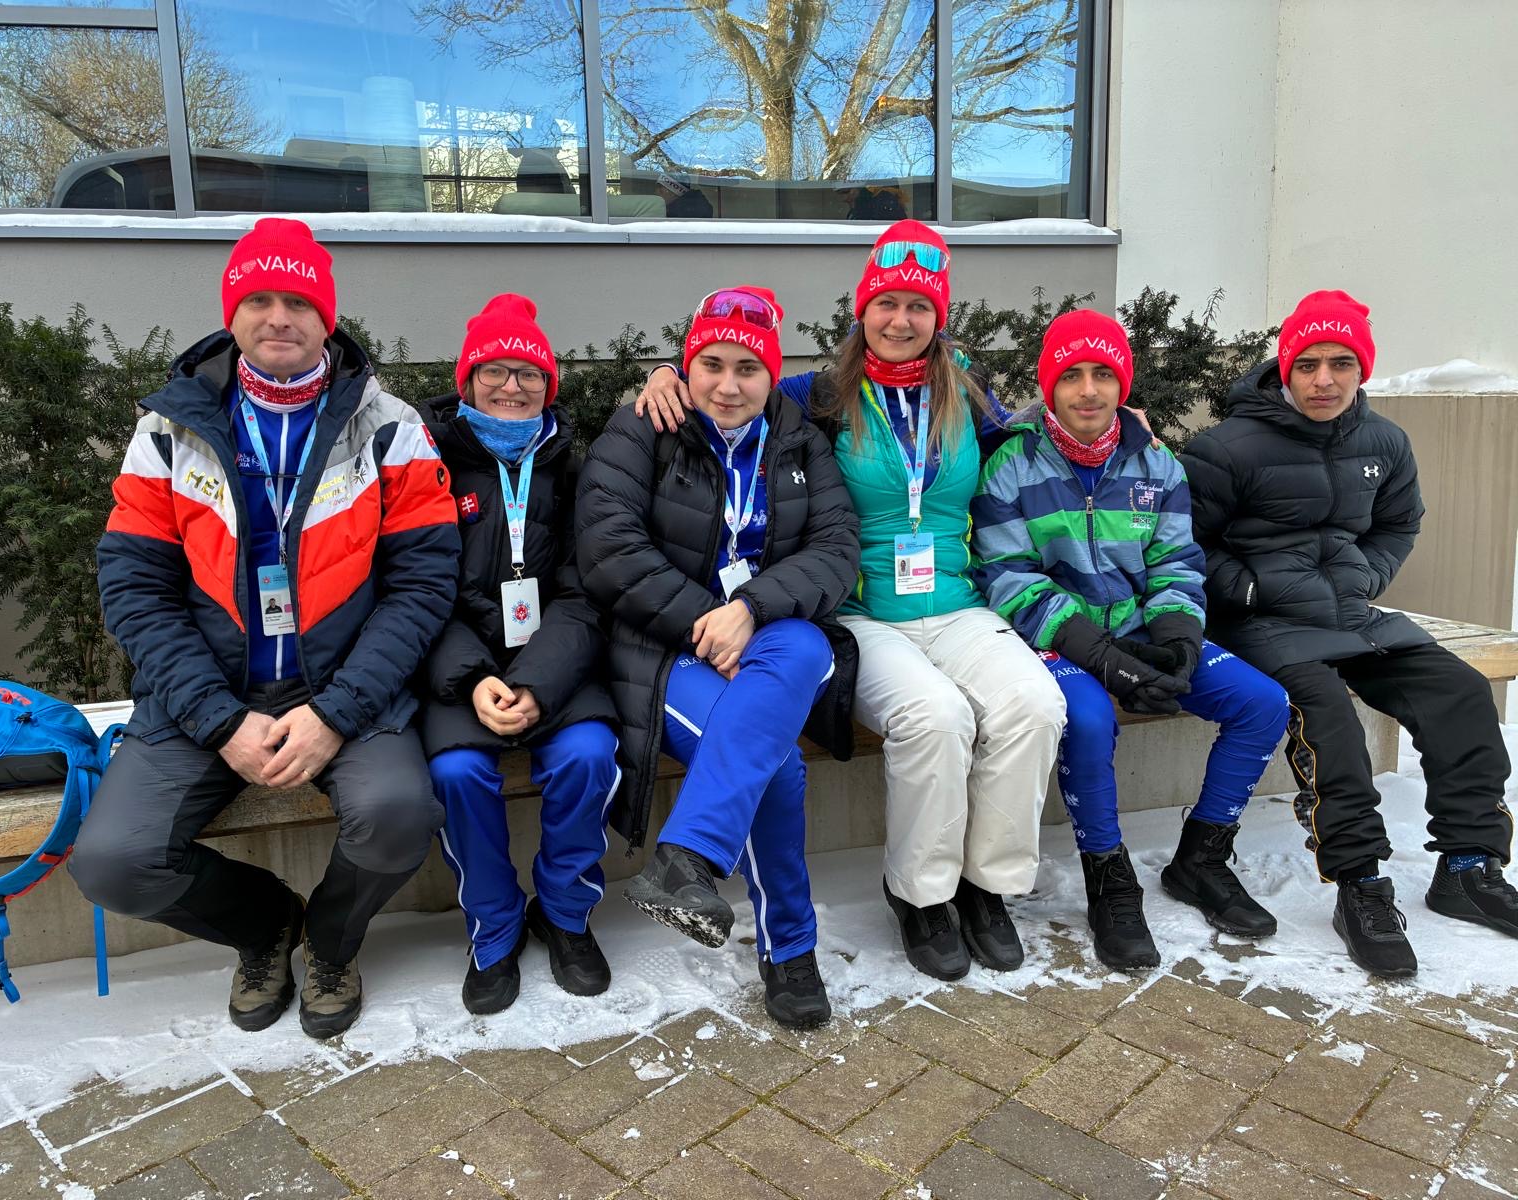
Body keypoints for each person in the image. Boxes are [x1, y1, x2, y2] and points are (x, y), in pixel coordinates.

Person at [636, 221, 1066, 982]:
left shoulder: (965, 391)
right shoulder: (821, 396)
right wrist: (668, 374)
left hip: (957, 603)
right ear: (862, 309)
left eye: (919, 306)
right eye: (886, 303)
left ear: (939, 317)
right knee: (935, 717)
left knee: (1035, 705)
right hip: (864, 613)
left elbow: (1030, 442)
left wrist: (1119, 423)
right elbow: (734, 391)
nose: (901, 320)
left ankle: (986, 887)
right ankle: (922, 897)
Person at [70, 218, 459, 1038]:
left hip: (346, 688)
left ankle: (331, 939)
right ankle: (268, 924)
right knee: (114, 863)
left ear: (327, 318)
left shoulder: (390, 426)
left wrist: (338, 712)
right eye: (259, 300)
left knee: (398, 816)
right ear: (232, 312)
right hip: (206, 694)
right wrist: (219, 719)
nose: (279, 317)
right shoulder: (168, 429)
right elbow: (134, 590)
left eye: (299, 302)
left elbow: (422, 587)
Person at [1182, 290, 1516, 978]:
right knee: (1327, 715)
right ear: (1285, 368)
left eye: (1341, 363)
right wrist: (1246, 590)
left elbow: (1399, 522)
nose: (1324, 380)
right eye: (1307, 364)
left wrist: (1368, 575)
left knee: (1458, 691)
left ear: (1363, 369)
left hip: (1352, 616)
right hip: (1263, 623)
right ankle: (1360, 882)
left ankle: (1469, 866)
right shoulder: (1225, 448)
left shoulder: (1384, 443)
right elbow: (1185, 544)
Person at [576, 286, 861, 1028]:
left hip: (767, 636)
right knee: (777, 763)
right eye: (711, 365)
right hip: (661, 649)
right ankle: (789, 947)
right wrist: (711, 626)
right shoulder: (643, 428)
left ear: (773, 376)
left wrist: (751, 611)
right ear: (686, 365)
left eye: (748, 368)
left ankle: (687, 860)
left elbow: (837, 551)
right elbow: (609, 553)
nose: (728, 386)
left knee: (805, 642)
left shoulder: (800, 441)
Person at [973, 310, 1291, 971]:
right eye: (1072, 375)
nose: (1088, 391)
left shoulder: (1155, 462)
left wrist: (1178, 636)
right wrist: (1098, 653)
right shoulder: (1012, 466)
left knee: (1261, 703)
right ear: (1050, 385)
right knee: (1089, 719)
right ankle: (1108, 874)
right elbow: (1008, 577)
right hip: (1057, 639)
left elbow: (1176, 561)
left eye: (1103, 374)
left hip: (1142, 627)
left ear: (1123, 382)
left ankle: (1202, 858)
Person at [419, 295, 620, 1016]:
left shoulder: (574, 468)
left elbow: (586, 592)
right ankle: (495, 925)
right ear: (467, 381)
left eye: (529, 373)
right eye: (495, 372)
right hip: (459, 672)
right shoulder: (427, 462)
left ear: (549, 385)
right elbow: (417, 591)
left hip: (555, 664)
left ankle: (564, 914)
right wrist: (476, 679)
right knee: (456, 772)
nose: (513, 386)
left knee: (590, 755)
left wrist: (535, 681)